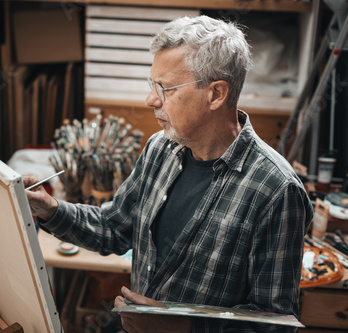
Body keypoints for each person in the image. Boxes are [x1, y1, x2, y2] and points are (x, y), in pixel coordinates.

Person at [24, 15, 313, 332]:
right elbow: (114, 228)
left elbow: (274, 322)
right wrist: (50, 210)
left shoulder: (276, 190)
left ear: (216, 94)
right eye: (152, 85)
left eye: (165, 88)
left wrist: (181, 329)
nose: (151, 100)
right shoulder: (161, 149)